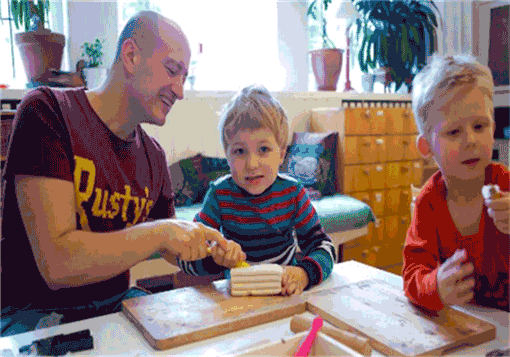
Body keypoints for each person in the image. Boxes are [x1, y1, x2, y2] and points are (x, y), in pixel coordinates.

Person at [0, 11, 231, 336]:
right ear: (131, 55)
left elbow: (170, 249)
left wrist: (213, 253)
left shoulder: (153, 156)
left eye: (184, 77)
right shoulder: (46, 111)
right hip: (31, 313)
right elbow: (58, 263)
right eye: (171, 71)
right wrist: (163, 232)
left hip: (113, 303)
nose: (180, 91)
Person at [176, 84, 336, 295]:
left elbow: (325, 249)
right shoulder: (219, 195)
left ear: (281, 153)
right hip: (237, 300)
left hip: (285, 295)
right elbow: (186, 259)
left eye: (263, 149)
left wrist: (304, 274)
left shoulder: (294, 193)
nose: (252, 164)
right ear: (227, 155)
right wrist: (215, 259)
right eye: (240, 151)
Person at [402, 54, 509, 313]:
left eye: (480, 125)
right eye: (454, 132)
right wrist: (434, 286)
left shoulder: (505, 185)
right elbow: (413, 274)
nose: (471, 140)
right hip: (468, 328)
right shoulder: (429, 202)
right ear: (427, 147)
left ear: (493, 130)